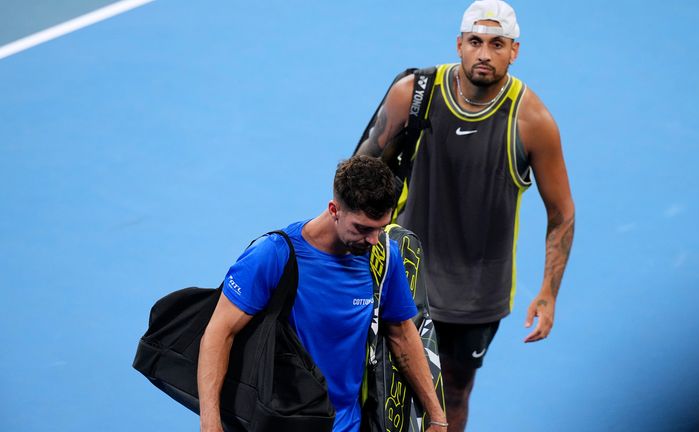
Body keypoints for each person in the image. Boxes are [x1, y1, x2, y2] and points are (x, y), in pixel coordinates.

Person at [355, 1, 575, 430]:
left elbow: (562, 214)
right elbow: (357, 178)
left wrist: (548, 293)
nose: (484, 54)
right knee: (379, 381)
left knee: (453, 392)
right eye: (475, 42)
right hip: (402, 274)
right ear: (459, 44)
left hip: (477, 297)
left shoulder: (532, 122)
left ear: (514, 51)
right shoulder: (412, 94)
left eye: (497, 44)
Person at [197, 155, 447, 432]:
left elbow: (401, 333)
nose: (373, 240)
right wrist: (210, 422)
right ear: (334, 209)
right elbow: (219, 333)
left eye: (380, 228)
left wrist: (436, 414)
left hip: (346, 424)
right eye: (362, 228)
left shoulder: (385, 256)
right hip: (277, 421)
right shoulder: (274, 255)